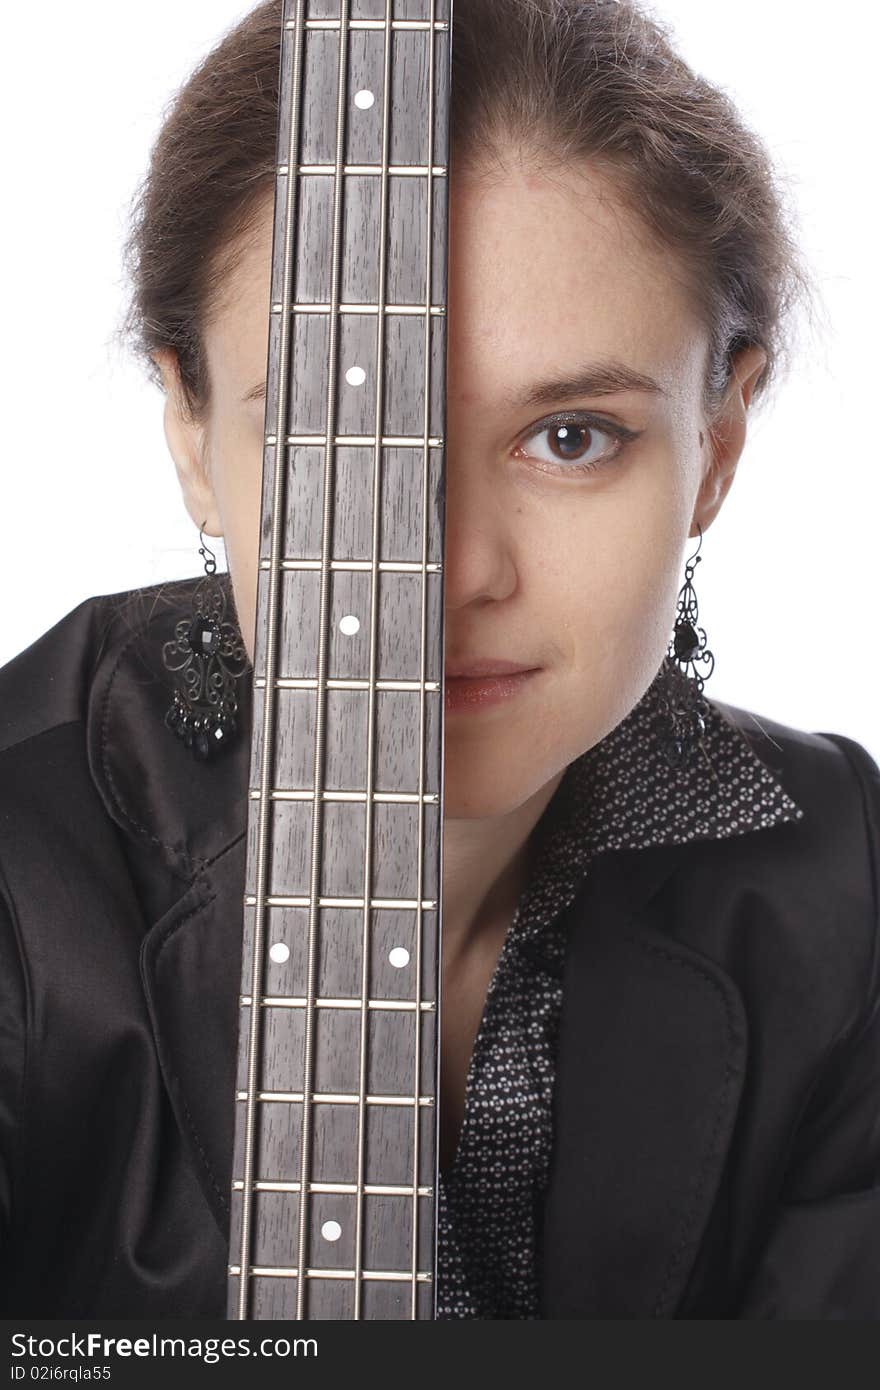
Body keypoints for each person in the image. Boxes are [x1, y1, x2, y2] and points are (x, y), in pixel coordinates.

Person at [0, 0, 878, 1320]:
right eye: (342, 432)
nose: (454, 569)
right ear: (189, 425)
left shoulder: (847, 885)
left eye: (572, 436)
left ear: (721, 441)